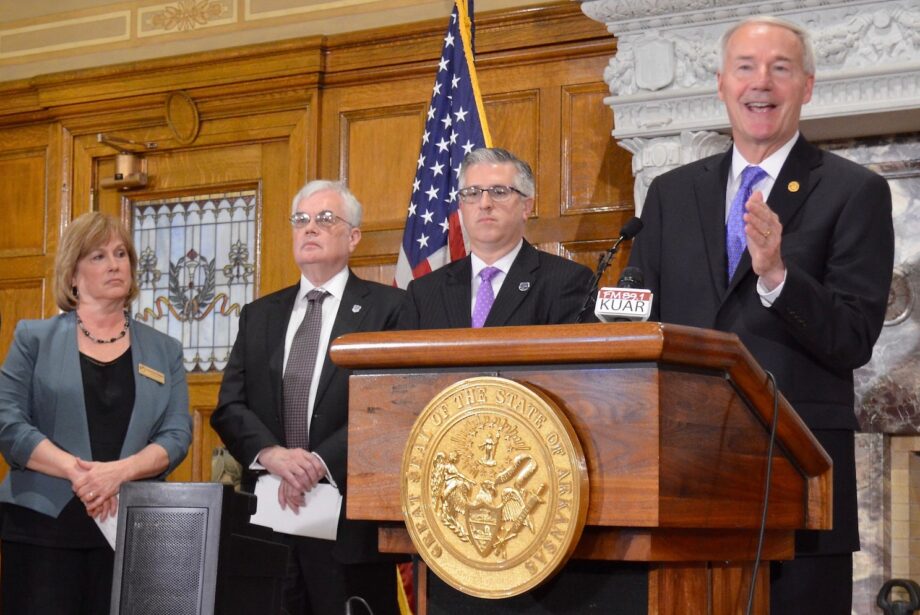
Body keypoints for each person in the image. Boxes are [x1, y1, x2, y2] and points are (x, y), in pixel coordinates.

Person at [628, 16, 894, 614]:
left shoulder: (854, 191)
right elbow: (642, 318)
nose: (762, 83)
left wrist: (777, 274)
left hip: (797, 480)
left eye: (781, 68)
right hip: (685, 479)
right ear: (721, 83)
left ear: (807, 87)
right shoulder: (671, 193)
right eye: (746, 67)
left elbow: (854, 337)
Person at [211, 180, 404, 615]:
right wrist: (272, 455)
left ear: (353, 236)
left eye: (324, 219)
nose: (309, 229)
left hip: (349, 527)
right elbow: (230, 405)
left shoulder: (388, 309)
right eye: (301, 220)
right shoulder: (260, 314)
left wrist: (320, 462)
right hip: (270, 519)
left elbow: (391, 409)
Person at [0, 212, 192, 614]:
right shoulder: (33, 338)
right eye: (98, 256)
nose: (114, 264)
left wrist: (118, 473)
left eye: (121, 254)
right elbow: (8, 424)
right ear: (72, 274)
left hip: (131, 530)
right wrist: (79, 472)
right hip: (42, 529)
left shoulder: (164, 350)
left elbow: (176, 435)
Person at [399, 147, 594, 329]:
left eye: (499, 192)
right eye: (472, 193)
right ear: (461, 206)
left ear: (526, 207)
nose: (484, 203)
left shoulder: (567, 281)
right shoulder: (424, 292)